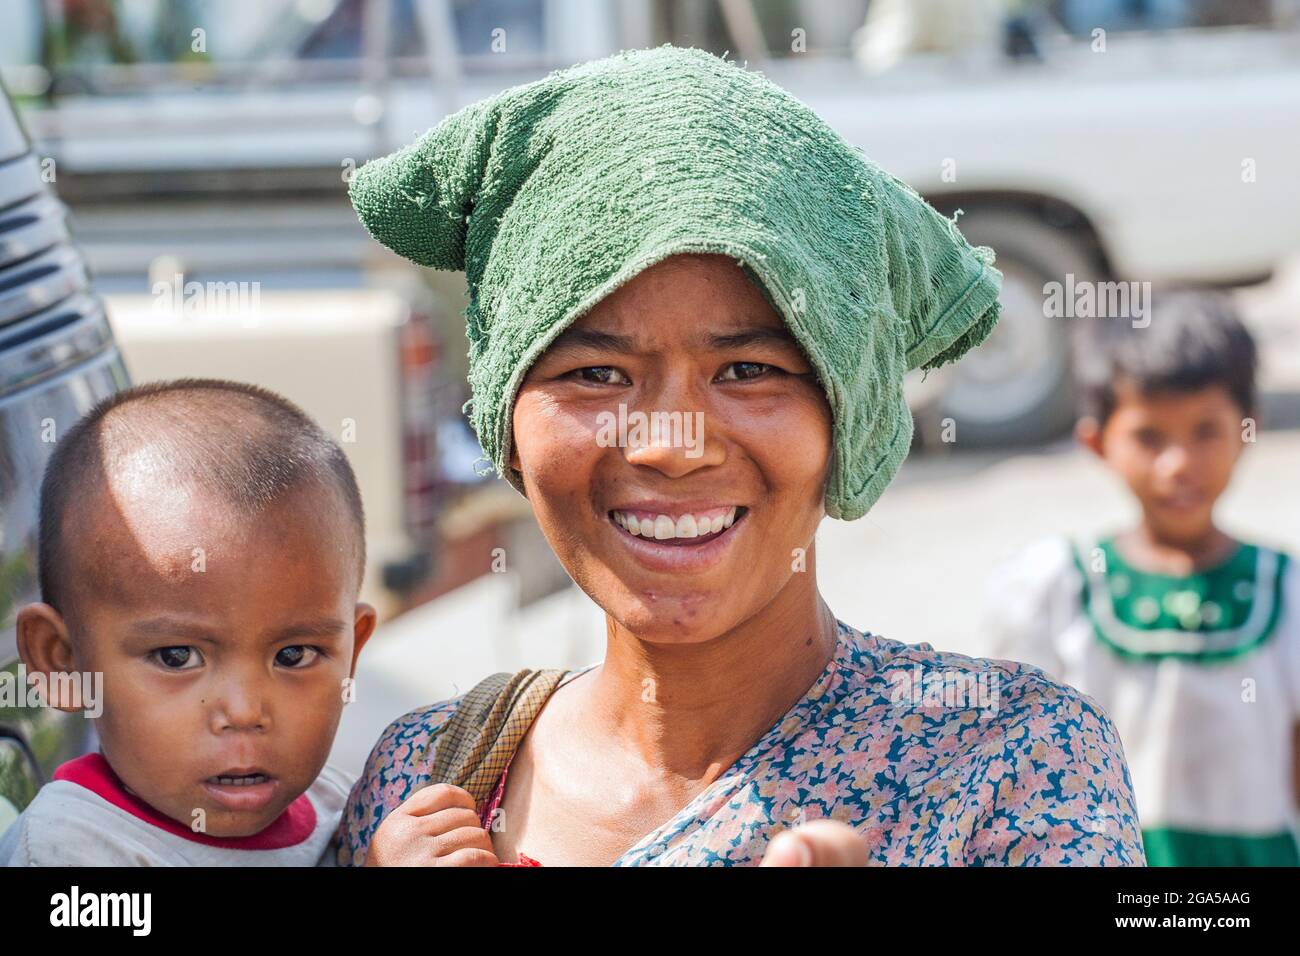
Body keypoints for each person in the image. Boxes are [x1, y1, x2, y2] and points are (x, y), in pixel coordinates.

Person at [340, 44, 1145, 867]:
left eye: (749, 371)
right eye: (596, 374)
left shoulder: (1011, 763)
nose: (671, 446)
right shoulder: (427, 783)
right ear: (509, 417)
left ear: (848, 415)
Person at [1, 379, 375, 865]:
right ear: (63, 662)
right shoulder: (69, 848)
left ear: (352, 650)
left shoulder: (348, 808)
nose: (243, 712)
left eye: (293, 655)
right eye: (177, 657)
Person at [986, 292, 1300, 866]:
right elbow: (1019, 768)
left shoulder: (1288, 592)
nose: (1178, 463)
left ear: (1248, 428)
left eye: (1205, 430)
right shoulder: (1058, 589)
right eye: (1150, 437)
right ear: (1097, 442)